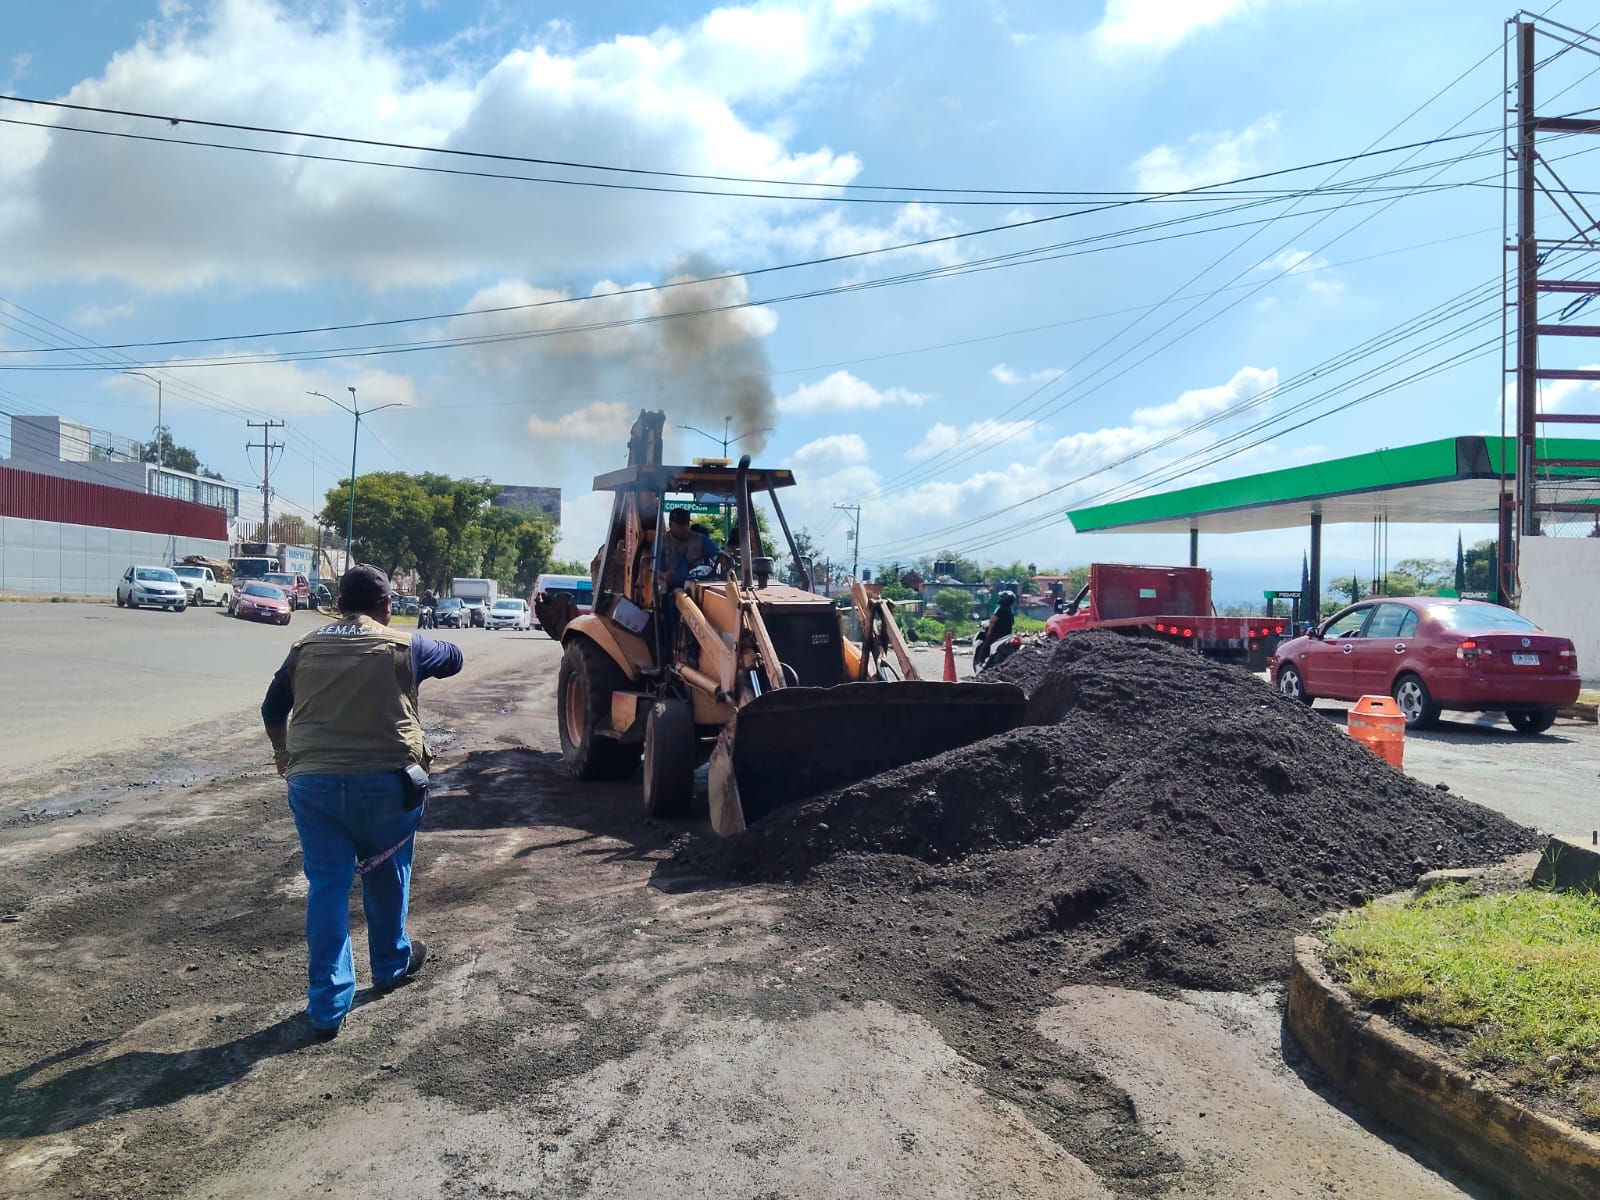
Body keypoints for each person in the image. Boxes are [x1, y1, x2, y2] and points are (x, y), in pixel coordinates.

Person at [260, 564, 464, 1040]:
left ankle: (328, 1006)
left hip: (314, 787)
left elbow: (273, 709)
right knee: (385, 869)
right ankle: (391, 964)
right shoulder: (403, 645)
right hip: (386, 787)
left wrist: (281, 751)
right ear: (387, 605)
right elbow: (454, 658)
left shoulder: (304, 648)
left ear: (339, 604)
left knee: (327, 886)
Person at [659, 507, 721, 590]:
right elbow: (654, 570)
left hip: (697, 587)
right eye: (680, 524)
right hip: (670, 588)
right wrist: (664, 575)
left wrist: (725, 561)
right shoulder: (661, 542)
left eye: (686, 523)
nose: (684, 527)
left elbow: (718, 555)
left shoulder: (701, 539)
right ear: (670, 525)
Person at [973, 590, 1017, 670]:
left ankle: (980, 662)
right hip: (1007, 634)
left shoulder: (1000, 609)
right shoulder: (1011, 610)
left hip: (997, 633)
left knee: (986, 645)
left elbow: (992, 621)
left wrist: (989, 632)